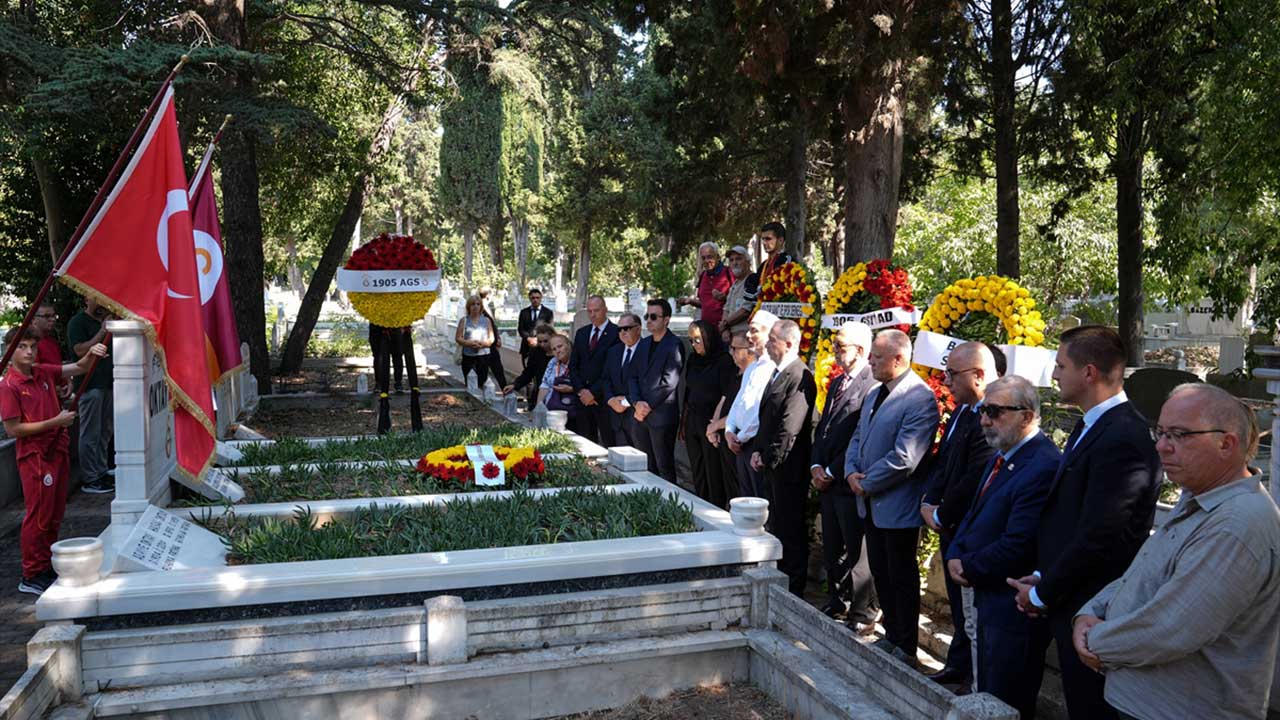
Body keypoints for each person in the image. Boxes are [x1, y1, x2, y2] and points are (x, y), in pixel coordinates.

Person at [1072, 383, 1280, 720]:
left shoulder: (1238, 522)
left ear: (1226, 443)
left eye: (1178, 435)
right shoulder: (1199, 498)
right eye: (1161, 432)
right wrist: (1089, 612)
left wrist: (1094, 640)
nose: (1161, 446)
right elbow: (1141, 574)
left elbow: (1170, 628)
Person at [1009, 326, 1161, 720]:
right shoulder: (1092, 423)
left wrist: (1044, 594)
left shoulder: (1123, 436)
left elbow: (1100, 533)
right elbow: (1070, 518)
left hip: (1092, 604)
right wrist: (1043, 575)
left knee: (1091, 708)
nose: (1055, 375)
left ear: (1089, 372)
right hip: (1068, 592)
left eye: (1061, 365)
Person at [945, 376, 1060, 717]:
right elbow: (974, 513)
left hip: (1011, 605)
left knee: (1005, 700)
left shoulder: (1042, 464)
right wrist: (954, 553)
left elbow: (1020, 543)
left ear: (1026, 416)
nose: (983, 420)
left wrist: (969, 566)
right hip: (987, 595)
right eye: (983, 410)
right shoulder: (1004, 455)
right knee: (987, 690)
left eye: (994, 412)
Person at [843, 329, 940, 663]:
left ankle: (906, 645)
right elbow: (858, 437)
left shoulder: (920, 398)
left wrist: (865, 483)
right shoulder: (874, 393)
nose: (869, 361)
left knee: (900, 576)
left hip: (896, 506)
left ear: (899, 359)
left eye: (877, 357)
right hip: (869, 501)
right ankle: (892, 636)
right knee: (881, 574)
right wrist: (850, 472)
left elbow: (905, 458)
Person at [1, 325, 108, 596]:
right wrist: (55, 421)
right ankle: (31, 572)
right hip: (36, 455)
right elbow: (13, 430)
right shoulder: (10, 386)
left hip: (57, 449)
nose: (29, 352)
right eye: (22, 347)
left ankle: (46, 564)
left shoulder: (43, 372)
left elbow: (80, 367)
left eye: (33, 347)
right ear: (10, 351)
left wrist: (95, 350)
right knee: (39, 515)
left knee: (54, 513)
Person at [919, 342, 999, 688]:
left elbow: (972, 478)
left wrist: (941, 514)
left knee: (973, 611)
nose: (945, 379)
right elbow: (945, 464)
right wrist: (928, 501)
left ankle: (972, 676)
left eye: (952, 373)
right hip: (948, 523)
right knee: (959, 607)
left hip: (967, 529)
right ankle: (958, 666)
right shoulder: (964, 411)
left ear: (979, 375)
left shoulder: (992, 417)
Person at [811, 322, 879, 634]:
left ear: (861, 350)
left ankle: (862, 610)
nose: (836, 352)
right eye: (835, 346)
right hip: (827, 478)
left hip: (846, 479)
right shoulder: (838, 382)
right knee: (833, 546)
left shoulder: (870, 384)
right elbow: (824, 428)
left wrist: (831, 470)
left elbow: (857, 434)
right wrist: (815, 465)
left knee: (856, 549)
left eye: (842, 346)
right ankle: (837, 601)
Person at [750, 320, 816, 596]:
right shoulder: (780, 372)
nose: (767, 343)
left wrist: (768, 457)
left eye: (773, 339)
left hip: (788, 468)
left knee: (790, 528)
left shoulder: (800, 376)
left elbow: (790, 427)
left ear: (789, 343)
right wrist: (757, 449)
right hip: (772, 465)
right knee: (777, 524)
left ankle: (793, 587)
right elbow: (767, 418)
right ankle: (781, 577)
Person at [723, 310, 780, 500]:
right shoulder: (753, 366)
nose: (748, 335)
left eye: (754, 331)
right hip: (740, 442)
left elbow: (759, 412)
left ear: (770, 335)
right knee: (746, 499)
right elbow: (739, 402)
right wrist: (729, 430)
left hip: (754, 443)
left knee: (759, 502)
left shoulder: (774, 369)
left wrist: (740, 437)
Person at [682, 320, 739, 506]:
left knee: (713, 472)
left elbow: (726, 394)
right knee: (697, 470)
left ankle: (715, 510)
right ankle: (701, 506)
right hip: (693, 420)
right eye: (691, 340)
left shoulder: (723, 361)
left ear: (708, 338)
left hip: (712, 421)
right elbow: (688, 391)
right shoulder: (693, 360)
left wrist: (715, 424)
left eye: (697, 340)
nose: (694, 345)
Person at [626, 300, 684, 482]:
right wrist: (636, 403)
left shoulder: (674, 344)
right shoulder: (643, 344)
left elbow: (669, 382)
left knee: (664, 466)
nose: (648, 321)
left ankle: (670, 506)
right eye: (646, 316)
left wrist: (647, 406)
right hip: (640, 415)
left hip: (661, 416)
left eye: (653, 317)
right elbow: (632, 375)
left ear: (666, 320)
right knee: (646, 466)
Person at [67, 296, 115, 495]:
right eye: (97, 297)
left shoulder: (103, 321)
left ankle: (101, 470)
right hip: (89, 386)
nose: (102, 301)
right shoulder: (77, 322)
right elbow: (79, 351)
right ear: (87, 299)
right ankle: (90, 477)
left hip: (107, 384)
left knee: (104, 431)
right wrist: (102, 331)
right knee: (90, 432)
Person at [706, 332, 755, 503]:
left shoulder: (754, 375)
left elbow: (742, 411)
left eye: (735, 348)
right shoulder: (736, 373)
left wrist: (716, 426)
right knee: (730, 490)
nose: (731, 352)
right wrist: (713, 424)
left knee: (740, 492)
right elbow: (724, 399)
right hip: (724, 437)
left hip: (740, 441)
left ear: (749, 350)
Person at [569, 295, 619, 445]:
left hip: (603, 399)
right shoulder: (582, 333)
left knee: (609, 442)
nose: (592, 315)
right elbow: (573, 366)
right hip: (582, 399)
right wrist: (581, 391)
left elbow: (611, 369)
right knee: (585, 442)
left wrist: (593, 392)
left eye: (596, 310)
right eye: (589, 311)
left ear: (605, 310)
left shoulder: (616, 333)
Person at [600, 313, 644, 449]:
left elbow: (647, 383)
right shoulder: (614, 351)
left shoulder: (647, 349)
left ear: (638, 328)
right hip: (616, 416)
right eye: (619, 329)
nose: (622, 332)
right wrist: (611, 400)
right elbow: (605, 379)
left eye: (627, 328)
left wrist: (626, 402)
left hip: (638, 417)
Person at [678, 242, 733, 327]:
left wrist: (725, 298)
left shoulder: (729, 273)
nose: (706, 261)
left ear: (718, 257)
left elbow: (739, 301)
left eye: (709, 257)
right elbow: (704, 304)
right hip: (706, 330)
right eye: (703, 258)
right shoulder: (703, 276)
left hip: (726, 329)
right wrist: (690, 301)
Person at [503, 323, 554, 409]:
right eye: (540, 341)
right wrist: (515, 385)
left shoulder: (561, 352)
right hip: (540, 393)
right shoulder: (536, 352)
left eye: (546, 341)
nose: (542, 345)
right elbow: (528, 373)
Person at [718, 245, 759, 338]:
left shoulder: (752, 280)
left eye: (738, 259)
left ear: (748, 262)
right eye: (731, 260)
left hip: (746, 337)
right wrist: (725, 330)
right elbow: (726, 309)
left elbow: (745, 310)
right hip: (732, 337)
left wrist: (724, 324)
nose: (734, 263)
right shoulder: (735, 283)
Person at [455, 296, 495, 390]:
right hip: (468, 356)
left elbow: (491, 338)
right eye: (473, 304)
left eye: (478, 304)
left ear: (481, 307)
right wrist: (469, 343)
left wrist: (482, 344)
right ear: (469, 306)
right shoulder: (464, 320)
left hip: (483, 356)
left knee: (482, 382)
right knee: (470, 383)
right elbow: (458, 338)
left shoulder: (486, 320)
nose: (475, 306)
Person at [31, 303, 68, 399]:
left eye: (54, 316)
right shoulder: (29, 343)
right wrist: (52, 388)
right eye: (47, 316)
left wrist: (67, 381)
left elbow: (58, 367)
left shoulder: (52, 342)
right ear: (33, 319)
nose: (53, 319)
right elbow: (33, 372)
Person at [537, 333, 576, 415]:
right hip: (553, 410)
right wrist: (539, 408)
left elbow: (587, 387)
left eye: (560, 346)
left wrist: (571, 389)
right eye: (554, 349)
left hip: (573, 410)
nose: (557, 351)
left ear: (568, 345)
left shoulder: (578, 362)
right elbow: (545, 385)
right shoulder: (552, 362)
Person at [477, 288, 507, 388]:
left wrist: (497, 337)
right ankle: (482, 396)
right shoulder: (479, 309)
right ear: (488, 296)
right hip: (483, 345)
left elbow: (493, 326)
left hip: (492, 345)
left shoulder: (488, 308)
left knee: (498, 370)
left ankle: (505, 391)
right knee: (483, 371)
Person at [518, 289, 554, 368]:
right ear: (530, 298)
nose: (535, 300)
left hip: (542, 347)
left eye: (537, 298)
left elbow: (549, 330)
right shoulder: (524, 312)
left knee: (540, 371)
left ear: (541, 298)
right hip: (526, 347)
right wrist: (528, 338)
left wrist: (537, 340)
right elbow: (521, 329)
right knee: (527, 370)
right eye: (533, 298)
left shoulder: (548, 312)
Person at [367, 323, 406, 393]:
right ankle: (379, 383)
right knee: (378, 356)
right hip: (376, 327)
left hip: (395, 324)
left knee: (397, 355)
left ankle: (398, 383)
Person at [756, 221, 793, 287]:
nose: (764, 243)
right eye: (763, 239)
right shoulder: (762, 266)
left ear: (780, 240)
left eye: (768, 239)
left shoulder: (788, 262)